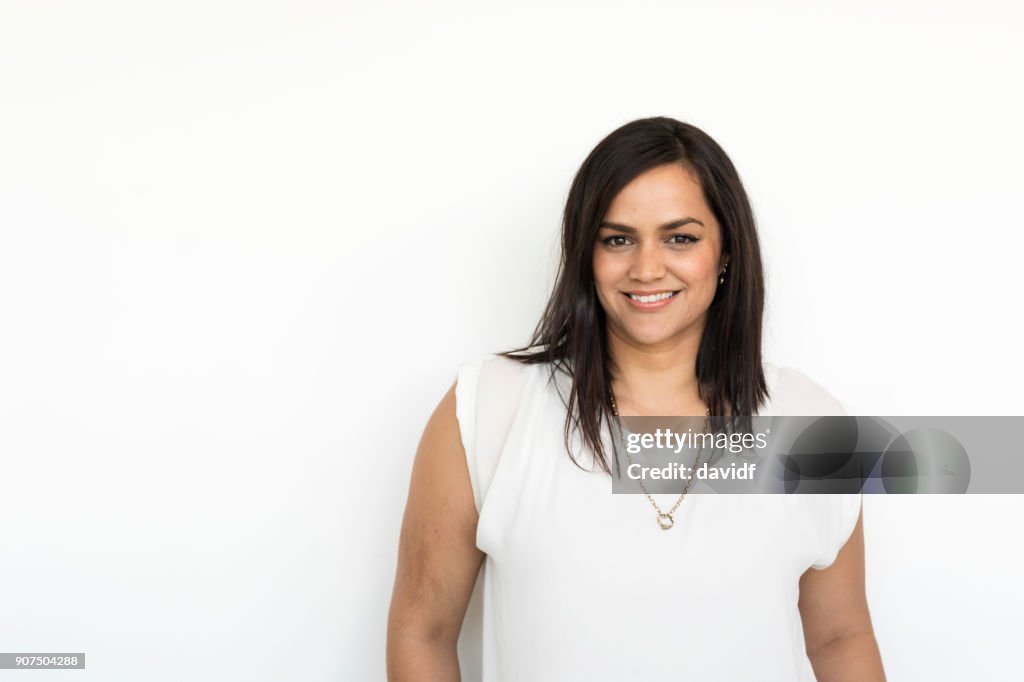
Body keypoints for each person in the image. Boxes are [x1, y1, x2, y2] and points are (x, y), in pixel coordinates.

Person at [387, 117, 885, 681]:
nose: (647, 268)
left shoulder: (811, 420)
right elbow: (422, 633)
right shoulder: (489, 408)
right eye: (617, 238)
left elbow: (841, 639)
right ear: (586, 255)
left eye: (681, 237)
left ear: (725, 254)